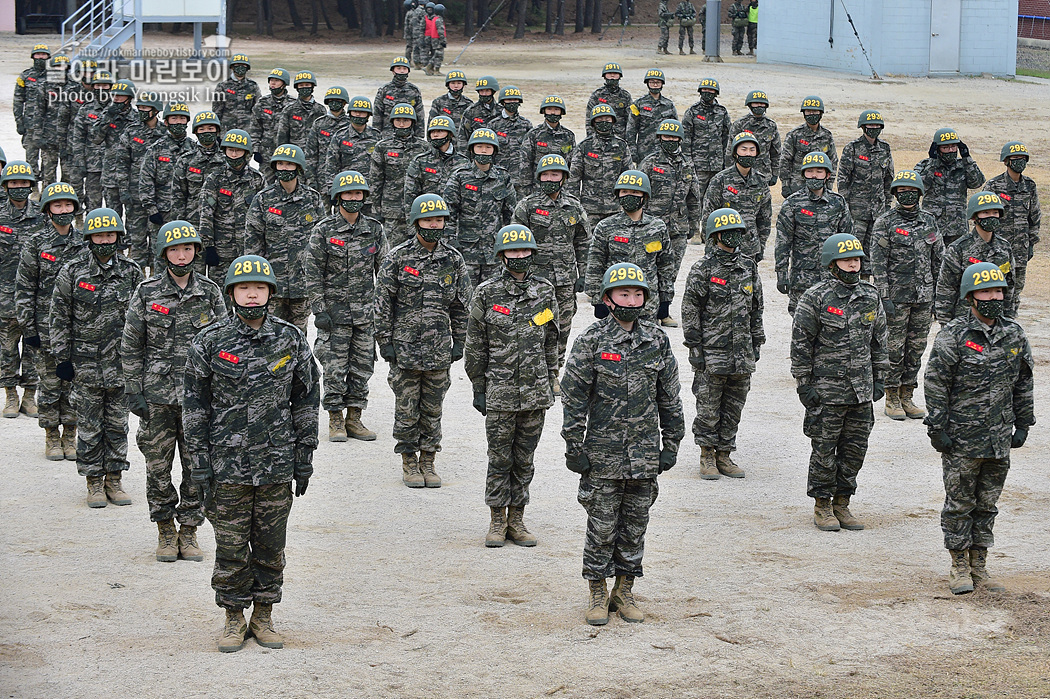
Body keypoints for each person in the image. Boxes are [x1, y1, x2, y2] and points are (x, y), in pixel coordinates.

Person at [183, 254, 320, 653]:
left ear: (270, 293)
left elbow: (307, 397)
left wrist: (304, 454)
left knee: (271, 544)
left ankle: (263, 615)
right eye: (244, 288)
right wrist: (199, 463)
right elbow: (194, 404)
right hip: (227, 464)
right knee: (229, 545)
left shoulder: (291, 338)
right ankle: (232, 616)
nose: (252, 294)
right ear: (231, 293)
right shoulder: (209, 340)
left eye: (259, 287)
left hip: (277, 462)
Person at [562, 262, 684, 625]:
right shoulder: (591, 341)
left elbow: (670, 397)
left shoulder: (656, 340)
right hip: (602, 454)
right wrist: (573, 445)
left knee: (635, 525)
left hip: (644, 455)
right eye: (623, 293)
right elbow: (574, 397)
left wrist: (672, 443)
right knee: (601, 526)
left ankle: (625, 589)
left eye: (637, 293)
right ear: (607, 299)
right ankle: (598, 592)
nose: (631, 300)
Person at [923, 262, 1034, 596]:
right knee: (959, 503)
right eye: (986, 291)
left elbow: (1023, 381)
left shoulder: (1013, 333)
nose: (994, 297)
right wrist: (937, 427)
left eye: (999, 291)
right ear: (970, 296)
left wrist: (1024, 422)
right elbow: (936, 382)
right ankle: (959, 565)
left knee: (987, 503)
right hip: (961, 438)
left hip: (999, 437)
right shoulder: (954, 335)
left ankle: (980, 564)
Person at [121, 221, 226, 562]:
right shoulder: (147, 291)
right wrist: (133, 388)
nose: (182, 256)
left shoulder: (210, 292)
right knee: (157, 468)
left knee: (197, 467)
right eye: (174, 250)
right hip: (157, 398)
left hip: (198, 400)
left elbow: (224, 343)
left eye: (187, 249)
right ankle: (165, 529)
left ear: (196, 251)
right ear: (164, 253)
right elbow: (131, 343)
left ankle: (190, 529)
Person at [465, 224, 559, 548]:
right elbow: (475, 343)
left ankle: (517, 519)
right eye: (512, 251)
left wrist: (552, 378)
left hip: (535, 392)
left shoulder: (546, 291)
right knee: (499, 458)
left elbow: (551, 341)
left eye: (524, 251)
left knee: (525, 458)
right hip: (500, 393)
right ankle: (496, 520)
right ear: (502, 256)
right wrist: (478, 385)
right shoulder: (487, 293)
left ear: (532, 253)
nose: (519, 257)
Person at [373, 194, 472, 488]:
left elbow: (461, 305)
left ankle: (429, 460)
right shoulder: (397, 257)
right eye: (428, 220)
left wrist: (460, 341)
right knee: (406, 408)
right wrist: (385, 341)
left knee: (432, 408)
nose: (434, 225)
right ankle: (408, 462)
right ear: (416, 222)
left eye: (439, 220)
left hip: (439, 348)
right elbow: (382, 303)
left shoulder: (453, 259)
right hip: (404, 350)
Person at [791, 233, 887, 532]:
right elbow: (801, 343)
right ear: (832, 264)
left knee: (854, 450)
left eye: (857, 260)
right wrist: (804, 383)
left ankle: (842, 503)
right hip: (827, 392)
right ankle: (822, 505)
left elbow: (880, 339)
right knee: (824, 449)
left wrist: (880, 377)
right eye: (847, 260)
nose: (854, 266)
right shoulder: (815, 297)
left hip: (861, 391)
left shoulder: (871, 296)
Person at [48, 208, 144, 508]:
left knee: (117, 426)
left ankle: (114, 480)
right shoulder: (73, 271)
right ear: (90, 238)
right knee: (90, 427)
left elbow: (143, 320)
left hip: (121, 366)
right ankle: (93, 483)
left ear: (119, 237)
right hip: (85, 365)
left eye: (111, 235)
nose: (105, 241)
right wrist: (61, 358)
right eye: (100, 235)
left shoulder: (131, 272)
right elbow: (59, 316)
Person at [306, 170, 388, 442]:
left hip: (365, 315)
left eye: (357, 194)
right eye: (348, 194)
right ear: (338, 197)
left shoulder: (374, 229)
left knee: (362, 366)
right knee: (334, 367)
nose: (353, 198)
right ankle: (335, 419)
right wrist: (319, 309)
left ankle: (355, 418)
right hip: (334, 314)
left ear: (364, 197)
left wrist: (382, 311)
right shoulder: (324, 230)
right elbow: (313, 270)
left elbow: (385, 273)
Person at [682, 209, 764, 479]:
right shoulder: (703, 268)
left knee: (733, 406)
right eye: (726, 232)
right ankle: (707, 454)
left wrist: (757, 341)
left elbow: (756, 307)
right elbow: (690, 307)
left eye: (737, 231)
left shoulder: (748, 266)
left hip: (742, 353)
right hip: (711, 353)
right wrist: (694, 346)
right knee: (708, 406)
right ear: (715, 236)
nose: (732, 237)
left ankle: (725, 453)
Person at [15, 182, 85, 459]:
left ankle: (70, 435)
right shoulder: (35, 243)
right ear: (47, 210)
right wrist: (28, 327)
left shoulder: (84, 242)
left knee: (74, 385)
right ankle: (51, 436)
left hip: (79, 329)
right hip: (45, 330)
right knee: (50, 384)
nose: (64, 210)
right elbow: (24, 288)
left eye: (68, 205)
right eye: (58, 205)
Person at [870, 170, 944, 421]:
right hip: (896, 298)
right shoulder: (885, 222)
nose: (907, 195)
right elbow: (877, 263)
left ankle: (907, 394)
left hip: (924, 298)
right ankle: (891, 395)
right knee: (894, 348)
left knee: (916, 348)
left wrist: (938, 297)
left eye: (912, 191)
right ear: (895, 194)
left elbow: (939, 259)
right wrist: (884, 297)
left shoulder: (930, 221)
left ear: (920, 193)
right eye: (902, 191)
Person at [512, 154, 590, 384]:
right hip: (535, 282)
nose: (550, 179)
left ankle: (553, 372)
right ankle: (534, 371)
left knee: (562, 327)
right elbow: (513, 245)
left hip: (564, 281)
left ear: (564, 177)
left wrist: (583, 274)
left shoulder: (574, 206)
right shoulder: (527, 206)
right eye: (545, 174)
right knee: (535, 324)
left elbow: (583, 242)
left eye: (554, 174)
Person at [243, 143, 325, 333]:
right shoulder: (263, 199)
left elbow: (321, 243)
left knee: (298, 335)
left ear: (298, 168)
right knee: (270, 334)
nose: (285, 168)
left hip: (303, 284)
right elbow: (253, 242)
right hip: (273, 284)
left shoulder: (312, 199)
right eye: (280, 164)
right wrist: (258, 281)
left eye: (289, 164)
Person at [585, 170, 674, 325]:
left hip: (648, 305)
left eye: (634, 192)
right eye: (624, 191)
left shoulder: (657, 227)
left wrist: (665, 300)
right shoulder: (606, 227)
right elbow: (595, 264)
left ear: (645, 196)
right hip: (615, 305)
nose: (629, 196)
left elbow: (666, 266)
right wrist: (597, 299)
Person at [775, 151, 854, 314]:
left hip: (833, 278)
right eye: (810, 171)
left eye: (819, 172)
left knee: (833, 325)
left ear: (827, 175)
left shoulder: (838, 203)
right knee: (802, 328)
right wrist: (781, 273)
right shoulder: (792, 203)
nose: (814, 176)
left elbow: (848, 239)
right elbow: (783, 241)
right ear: (803, 174)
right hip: (802, 278)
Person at [638, 118, 701, 311]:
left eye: (674, 137)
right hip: (651, 227)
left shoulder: (687, 165)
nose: (670, 140)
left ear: (680, 139)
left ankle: (664, 310)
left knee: (671, 271)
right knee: (649, 269)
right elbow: (637, 193)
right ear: (659, 138)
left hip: (677, 228)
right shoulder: (649, 163)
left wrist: (693, 226)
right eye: (666, 136)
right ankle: (645, 310)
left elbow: (694, 197)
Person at [444, 128, 518, 285]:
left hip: (495, 252)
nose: (483, 151)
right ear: (472, 149)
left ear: (494, 151)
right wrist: (450, 241)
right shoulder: (460, 176)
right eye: (479, 147)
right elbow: (449, 212)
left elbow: (511, 214)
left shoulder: (503, 177)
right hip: (466, 250)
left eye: (488, 147)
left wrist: (510, 245)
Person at [0, 161, 42, 419]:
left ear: (30, 186)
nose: (19, 187)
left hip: (35, 297)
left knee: (33, 348)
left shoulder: (41, 215)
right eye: (14, 183)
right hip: (4, 296)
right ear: (5, 186)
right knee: (6, 347)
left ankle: (29, 396)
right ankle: (10, 395)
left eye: (23, 183)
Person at [935, 191, 1015, 325]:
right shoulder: (958, 248)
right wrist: (945, 323)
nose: (991, 217)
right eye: (986, 213)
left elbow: (1010, 286)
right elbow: (946, 288)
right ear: (974, 216)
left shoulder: (1005, 248)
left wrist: (1009, 318)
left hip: (996, 321)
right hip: (964, 323)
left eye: (995, 213)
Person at [198, 129, 264, 286]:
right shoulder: (215, 179)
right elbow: (206, 215)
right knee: (222, 300)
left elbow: (264, 216)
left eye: (238, 150)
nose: (234, 154)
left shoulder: (257, 179)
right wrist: (209, 247)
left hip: (250, 252)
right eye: (230, 150)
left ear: (246, 152)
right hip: (222, 252)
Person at [983, 141, 1041, 316]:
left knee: (1015, 292)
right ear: (1006, 161)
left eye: (1023, 159)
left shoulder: (1030, 186)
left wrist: (1031, 243)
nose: (1019, 162)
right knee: (995, 289)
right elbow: (982, 216)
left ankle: (1010, 326)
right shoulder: (993, 186)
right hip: (997, 251)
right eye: (1015, 158)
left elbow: (1035, 217)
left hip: (1020, 250)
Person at [110, 91, 165, 269]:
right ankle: (137, 278)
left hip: (160, 198)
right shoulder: (131, 132)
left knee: (159, 242)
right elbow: (121, 164)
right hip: (135, 197)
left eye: (145, 108)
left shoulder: (165, 133)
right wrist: (123, 191)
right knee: (137, 240)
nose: (141, 111)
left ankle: (157, 278)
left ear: (156, 110)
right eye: (139, 107)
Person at [837, 110, 894, 278]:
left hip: (878, 212)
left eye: (877, 126)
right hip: (857, 211)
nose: (873, 128)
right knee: (854, 249)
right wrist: (846, 206)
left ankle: (868, 285)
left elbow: (889, 180)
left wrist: (887, 204)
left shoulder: (885, 148)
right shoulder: (852, 148)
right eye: (870, 125)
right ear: (863, 127)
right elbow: (843, 179)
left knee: (875, 251)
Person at [701, 131, 773, 261]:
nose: (748, 153)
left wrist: (761, 246)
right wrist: (710, 248)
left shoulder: (761, 181)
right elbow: (708, 215)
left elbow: (765, 219)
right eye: (743, 149)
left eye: (752, 150)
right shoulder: (720, 180)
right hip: (723, 248)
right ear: (735, 153)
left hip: (749, 249)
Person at [139, 102, 194, 268]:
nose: (178, 122)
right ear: (166, 122)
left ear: (187, 122)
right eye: (174, 118)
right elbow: (146, 179)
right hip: (162, 213)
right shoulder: (156, 149)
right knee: (161, 255)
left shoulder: (195, 149)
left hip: (188, 214)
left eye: (182, 118)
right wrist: (151, 209)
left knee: (187, 257)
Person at [369, 102, 428, 246]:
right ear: (392, 122)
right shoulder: (382, 147)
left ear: (412, 122)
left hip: (420, 210)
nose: (402, 124)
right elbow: (375, 180)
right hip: (392, 211)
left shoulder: (424, 147)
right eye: (398, 120)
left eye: (406, 120)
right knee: (392, 253)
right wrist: (376, 209)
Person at [914, 127, 984, 246]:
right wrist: (932, 162)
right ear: (937, 149)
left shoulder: (963, 166)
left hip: (957, 227)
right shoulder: (925, 165)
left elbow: (976, 183)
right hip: (932, 226)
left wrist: (967, 158)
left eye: (953, 147)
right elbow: (921, 186)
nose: (950, 150)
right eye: (945, 148)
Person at [568, 104, 632, 226]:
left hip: (615, 209)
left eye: (607, 119)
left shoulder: (621, 146)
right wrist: (574, 206)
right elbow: (573, 180)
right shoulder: (584, 147)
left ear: (613, 121)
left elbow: (628, 177)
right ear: (593, 123)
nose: (604, 122)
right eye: (600, 120)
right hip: (589, 209)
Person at [67, 70, 113, 213]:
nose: (102, 89)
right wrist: (79, 160)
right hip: (93, 165)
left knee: (114, 205)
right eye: (98, 85)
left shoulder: (119, 109)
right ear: (93, 87)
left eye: (105, 86)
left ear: (111, 88)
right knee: (94, 204)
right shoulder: (86, 110)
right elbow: (78, 137)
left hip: (114, 168)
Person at [90, 78, 137, 215]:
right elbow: (95, 139)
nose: (116, 99)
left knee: (133, 219)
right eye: (114, 95)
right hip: (111, 175)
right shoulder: (106, 114)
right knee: (112, 215)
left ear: (129, 98)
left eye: (120, 96)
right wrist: (108, 118)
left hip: (131, 177)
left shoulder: (137, 118)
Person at [171, 111, 225, 227]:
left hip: (222, 224)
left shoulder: (227, 159)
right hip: (193, 222)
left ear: (217, 131)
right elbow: (178, 196)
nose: (206, 132)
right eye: (202, 129)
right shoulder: (186, 160)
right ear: (195, 132)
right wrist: (179, 223)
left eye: (210, 128)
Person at [681, 78, 731, 204]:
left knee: (718, 198)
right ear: (700, 91)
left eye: (711, 90)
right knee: (696, 198)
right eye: (705, 89)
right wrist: (688, 162)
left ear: (716, 93)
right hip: (698, 165)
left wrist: (727, 162)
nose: (707, 92)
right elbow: (685, 139)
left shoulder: (722, 111)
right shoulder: (692, 112)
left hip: (718, 165)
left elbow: (727, 138)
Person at [404, 115, 469, 210]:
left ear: (450, 134)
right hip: (428, 218)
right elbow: (410, 196)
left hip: (453, 220)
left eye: (440, 131)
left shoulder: (463, 162)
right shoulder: (420, 161)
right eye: (433, 132)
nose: (435, 135)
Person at [779, 96, 838, 199]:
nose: (812, 114)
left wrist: (829, 184)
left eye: (815, 111)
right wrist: (785, 184)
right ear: (803, 113)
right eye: (808, 111)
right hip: (797, 186)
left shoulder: (827, 135)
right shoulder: (794, 135)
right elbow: (785, 160)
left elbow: (833, 161)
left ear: (821, 113)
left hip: (820, 185)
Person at [518, 95, 576, 198]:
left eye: (556, 109)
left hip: (561, 189)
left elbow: (572, 164)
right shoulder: (534, 134)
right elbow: (525, 164)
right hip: (538, 189)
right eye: (549, 109)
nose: (553, 113)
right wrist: (526, 190)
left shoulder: (568, 136)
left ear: (561, 112)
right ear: (544, 111)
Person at [726, 89, 781, 189]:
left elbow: (776, 153)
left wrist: (775, 173)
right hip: (741, 172)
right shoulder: (740, 124)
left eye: (762, 104)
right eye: (756, 103)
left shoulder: (771, 125)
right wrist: (729, 172)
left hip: (763, 173)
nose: (759, 106)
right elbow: (730, 151)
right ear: (749, 105)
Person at [247, 68, 293, 185]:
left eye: (277, 81)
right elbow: (255, 129)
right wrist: (256, 150)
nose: (273, 83)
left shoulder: (293, 104)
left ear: (284, 84)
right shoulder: (262, 103)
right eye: (271, 80)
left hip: (287, 156)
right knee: (264, 186)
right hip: (266, 155)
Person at [322, 96, 380, 188]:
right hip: (346, 189)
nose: (358, 115)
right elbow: (331, 166)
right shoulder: (339, 136)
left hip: (370, 190)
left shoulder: (376, 136)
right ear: (350, 113)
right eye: (355, 111)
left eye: (362, 112)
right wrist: (332, 190)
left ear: (368, 115)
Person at [14, 43, 51, 183]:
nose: (41, 57)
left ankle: (46, 187)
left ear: (48, 57)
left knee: (48, 159)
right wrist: (19, 122)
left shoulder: (55, 76)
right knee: (31, 157)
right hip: (30, 125)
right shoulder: (25, 76)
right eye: (38, 54)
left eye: (44, 54)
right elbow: (18, 100)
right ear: (33, 56)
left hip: (49, 125)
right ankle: (33, 186)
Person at [626, 69, 678, 162]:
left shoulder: (669, 105)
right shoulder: (638, 104)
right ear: (647, 83)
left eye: (658, 82)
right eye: (652, 82)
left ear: (662, 84)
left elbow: (676, 129)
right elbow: (631, 130)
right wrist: (632, 151)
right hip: (644, 152)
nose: (655, 85)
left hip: (665, 152)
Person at [302, 86, 349, 187]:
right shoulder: (319, 124)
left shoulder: (350, 124)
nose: (334, 103)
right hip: (322, 179)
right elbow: (310, 154)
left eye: (338, 100)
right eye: (331, 100)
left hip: (346, 179)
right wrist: (311, 179)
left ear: (344, 103)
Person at [488, 86, 533, 185]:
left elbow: (530, 153)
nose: (512, 102)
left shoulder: (526, 125)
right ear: (503, 102)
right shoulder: (493, 125)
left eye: (515, 99)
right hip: (498, 176)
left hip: (520, 178)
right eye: (509, 100)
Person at [374, 57, 424, 140]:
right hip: (388, 136)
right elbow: (377, 114)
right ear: (393, 71)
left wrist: (420, 138)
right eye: (398, 68)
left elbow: (419, 116)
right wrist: (376, 136)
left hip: (409, 136)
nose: (401, 71)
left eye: (404, 68)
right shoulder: (384, 90)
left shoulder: (414, 91)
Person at [276, 70, 326, 150]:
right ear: (297, 88)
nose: (304, 88)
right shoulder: (289, 110)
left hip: (314, 156)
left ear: (312, 86)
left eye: (307, 85)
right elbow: (282, 136)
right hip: (294, 155)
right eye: (301, 85)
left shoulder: (320, 110)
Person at [212, 54, 259, 133]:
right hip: (227, 130)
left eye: (243, 65)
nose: (240, 68)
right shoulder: (222, 86)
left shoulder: (253, 86)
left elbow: (257, 109)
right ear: (232, 67)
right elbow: (217, 111)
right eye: (237, 65)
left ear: (247, 68)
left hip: (247, 131)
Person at [585, 63, 632, 139]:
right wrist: (590, 138)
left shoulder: (625, 96)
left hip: (620, 137)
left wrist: (628, 140)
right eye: (609, 73)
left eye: (615, 73)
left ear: (620, 76)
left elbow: (630, 120)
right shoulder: (597, 95)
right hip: (599, 136)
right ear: (604, 76)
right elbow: (589, 119)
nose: (612, 76)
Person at [458, 76, 500, 149]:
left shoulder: (501, 111)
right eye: (481, 91)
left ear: (493, 92)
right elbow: (463, 137)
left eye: (487, 91)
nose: (484, 94)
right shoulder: (470, 111)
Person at [429, 70, 473, 134]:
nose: (456, 86)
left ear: (463, 85)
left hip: (461, 141)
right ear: (448, 85)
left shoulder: (469, 104)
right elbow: (431, 124)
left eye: (459, 83)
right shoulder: (438, 102)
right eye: (453, 83)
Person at [420, 2, 447, 75]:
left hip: (434, 38)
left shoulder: (435, 18)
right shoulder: (439, 19)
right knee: (439, 55)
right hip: (437, 39)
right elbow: (441, 31)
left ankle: (430, 67)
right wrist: (443, 41)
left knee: (436, 54)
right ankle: (435, 70)